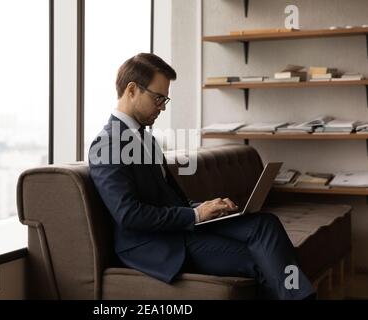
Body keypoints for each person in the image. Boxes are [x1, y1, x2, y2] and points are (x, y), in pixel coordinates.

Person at [88, 53, 315, 300]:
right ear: (132, 90)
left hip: (180, 227)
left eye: (165, 99)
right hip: (153, 244)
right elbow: (129, 215)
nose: (163, 106)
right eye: (158, 98)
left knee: (265, 224)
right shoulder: (107, 145)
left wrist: (208, 208)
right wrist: (195, 215)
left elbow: (168, 199)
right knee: (263, 258)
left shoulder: (146, 139)